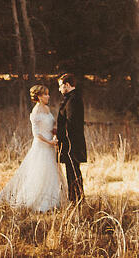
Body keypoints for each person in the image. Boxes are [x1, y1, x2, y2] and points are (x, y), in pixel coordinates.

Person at [0, 84, 66, 211]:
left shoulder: (47, 108)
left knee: (53, 172)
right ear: (39, 97)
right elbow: (36, 134)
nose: (48, 96)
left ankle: (54, 200)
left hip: (51, 143)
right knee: (40, 172)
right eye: (45, 94)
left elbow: (49, 127)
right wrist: (49, 142)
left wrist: (55, 134)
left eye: (47, 93)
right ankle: (40, 202)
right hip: (42, 145)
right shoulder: (36, 111)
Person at [54, 73, 86, 203]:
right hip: (70, 142)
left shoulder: (73, 100)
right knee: (72, 172)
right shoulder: (72, 98)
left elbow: (71, 124)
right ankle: (75, 199)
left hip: (71, 143)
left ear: (67, 85)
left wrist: (61, 137)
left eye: (60, 86)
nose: (59, 89)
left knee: (73, 172)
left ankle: (77, 200)